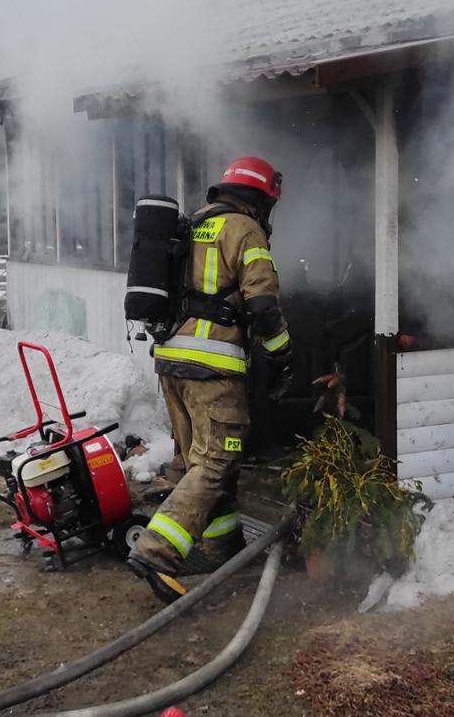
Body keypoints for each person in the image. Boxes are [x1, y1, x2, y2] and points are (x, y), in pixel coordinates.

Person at [126, 156, 295, 604]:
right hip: (212, 368)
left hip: (171, 363)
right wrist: (281, 356)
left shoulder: (191, 225)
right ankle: (156, 551)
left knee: (206, 462)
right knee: (216, 462)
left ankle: (222, 548)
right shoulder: (244, 229)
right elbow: (263, 305)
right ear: (260, 199)